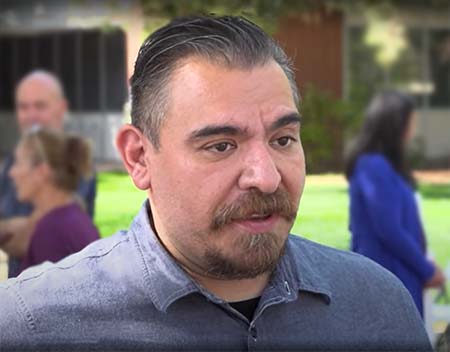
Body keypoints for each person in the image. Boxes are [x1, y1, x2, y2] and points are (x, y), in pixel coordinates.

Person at [0, 16, 432, 351]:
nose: (265, 177)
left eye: (283, 139)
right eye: (221, 146)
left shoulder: (381, 308)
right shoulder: (32, 328)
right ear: (138, 157)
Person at [345, 91, 445, 317]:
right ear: (395, 125)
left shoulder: (384, 166)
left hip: (399, 274)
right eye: (411, 121)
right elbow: (389, 230)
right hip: (387, 278)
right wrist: (427, 270)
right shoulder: (373, 166)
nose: (413, 129)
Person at [0, 70, 97, 277]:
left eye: (40, 106)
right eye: (24, 107)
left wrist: (14, 229)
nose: (31, 115)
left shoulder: (74, 166)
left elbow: (29, 237)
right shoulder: (11, 163)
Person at [9, 128, 100, 274]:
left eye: (18, 163)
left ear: (41, 172)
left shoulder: (52, 231)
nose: (12, 172)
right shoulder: (70, 217)